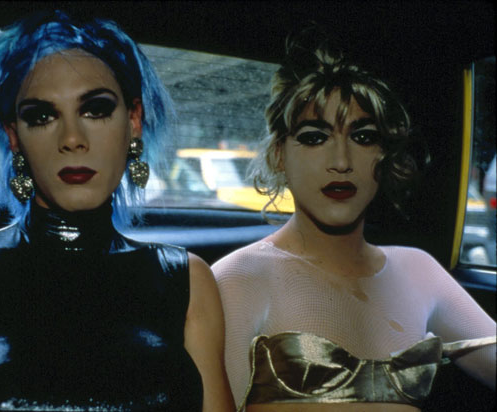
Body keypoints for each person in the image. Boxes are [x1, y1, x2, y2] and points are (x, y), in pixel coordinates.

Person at [0, 10, 234, 411]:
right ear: (14, 136)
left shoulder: (187, 281)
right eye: (42, 116)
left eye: (95, 109)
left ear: (133, 121)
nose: (71, 139)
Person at [212, 25, 496, 412]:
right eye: (315, 137)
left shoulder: (419, 270)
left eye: (363, 137)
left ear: (387, 154)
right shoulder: (239, 279)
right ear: (280, 154)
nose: (341, 162)